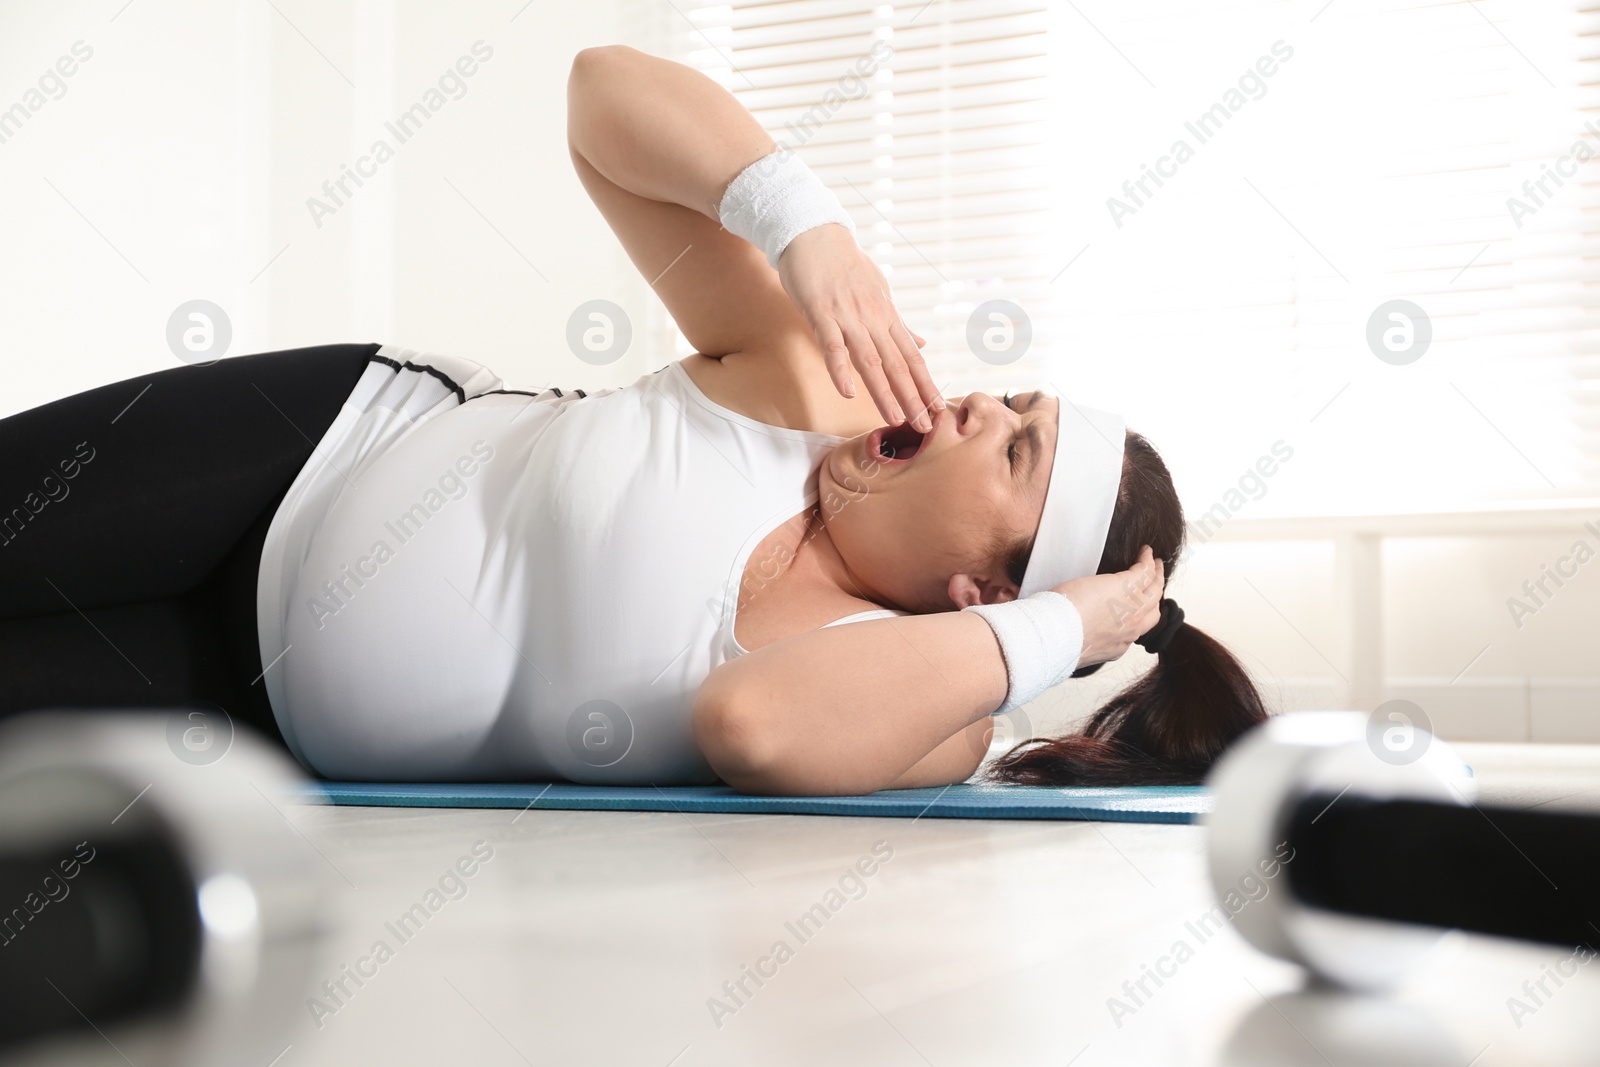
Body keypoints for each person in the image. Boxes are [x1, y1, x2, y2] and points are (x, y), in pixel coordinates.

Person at [0, 46, 1266, 794]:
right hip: (308, 451)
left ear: (985, 594)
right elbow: (598, 98)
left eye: (1018, 444)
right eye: (1018, 398)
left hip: (246, 710)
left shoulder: (926, 715)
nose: (984, 400)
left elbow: (751, 724)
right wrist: (802, 225)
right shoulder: (803, 389)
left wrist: (1075, 626)